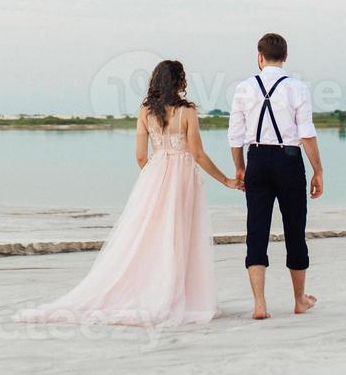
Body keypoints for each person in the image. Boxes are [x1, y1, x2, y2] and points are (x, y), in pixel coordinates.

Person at [16, 59, 238, 327]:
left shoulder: (145, 111)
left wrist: (157, 174)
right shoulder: (187, 112)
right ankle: (177, 293)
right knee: (179, 234)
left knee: (151, 235)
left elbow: (140, 157)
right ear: (180, 82)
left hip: (155, 175)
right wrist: (225, 179)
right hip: (181, 177)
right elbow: (198, 154)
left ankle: (150, 288)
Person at [228, 32, 324, 320]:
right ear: (285, 57)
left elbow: (235, 136)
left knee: (256, 230)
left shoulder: (244, 88)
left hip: (256, 158)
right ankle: (299, 300)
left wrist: (241, 167)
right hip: (288, 160)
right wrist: (318, 170)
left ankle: (260, 305)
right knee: (295, 229)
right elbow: (306, 134)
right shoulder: (297, 87)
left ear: (259, 57)